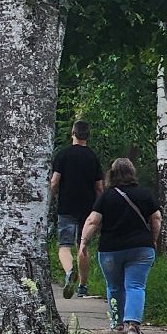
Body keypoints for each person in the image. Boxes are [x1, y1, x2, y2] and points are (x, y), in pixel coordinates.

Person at [79, 158, 162, 334]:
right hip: (141, 248)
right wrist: (153, 239)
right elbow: (156, 218)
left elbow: (93, 221)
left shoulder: (106, 196)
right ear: (132, 172)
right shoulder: (144, 194)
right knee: (136, 286)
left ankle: (117, 323)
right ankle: (133, 324)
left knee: (114, 286)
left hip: (111, 250)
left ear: (112, 173)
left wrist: (83, 243)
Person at [49, 121, 104, 299]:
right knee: (83, 246)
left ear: (73, 133)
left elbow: (55, 181)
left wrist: (51, 198)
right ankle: (82, 286)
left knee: (64, 246)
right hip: (87, 209)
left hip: (66, 206)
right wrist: (100, 207)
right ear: (88, 135)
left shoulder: (63, 155)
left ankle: (69, 272)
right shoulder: (93, 157)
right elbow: (99, 188)